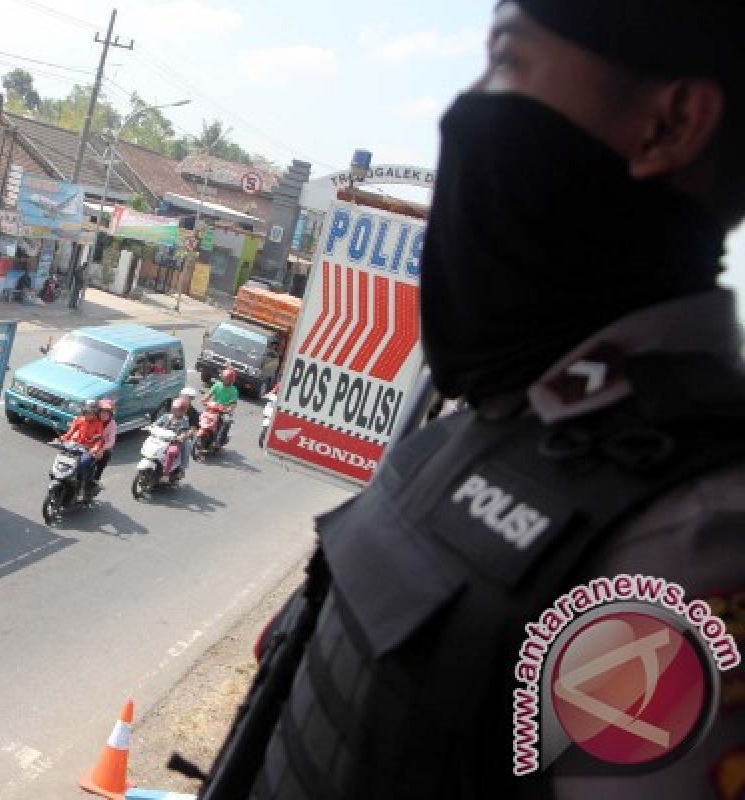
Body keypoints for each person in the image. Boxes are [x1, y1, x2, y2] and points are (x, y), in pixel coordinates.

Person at [202, 3, 745, 798]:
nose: (468, 108)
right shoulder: (505, 422)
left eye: (510, 62)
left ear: (668, 125)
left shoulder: (690, 545)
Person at [54, 399, 104, 488]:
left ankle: (81, 486)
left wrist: (95, 448)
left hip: (88, 449)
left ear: (95, 413)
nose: (89, 414)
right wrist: (61, 439)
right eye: (87, 412)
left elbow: (99, 439)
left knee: (83, 462)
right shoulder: (79, 420)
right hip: (76, 446)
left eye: (91, 412)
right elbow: (70, 432)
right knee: (63, 457)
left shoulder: (98, 424)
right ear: (83, 411)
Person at [155, 397, 192, 475]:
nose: (175, 411)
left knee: (172, 452)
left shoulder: (184, 421)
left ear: (183, 411)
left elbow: (184, 431)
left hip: (174, 442)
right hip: (161, 439)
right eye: (174, 409)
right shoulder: (166, 417)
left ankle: (166, 472)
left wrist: (181, 436)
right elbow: (156, 424)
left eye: (178, 410)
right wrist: (151, 427)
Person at [203, 368, 239, 446]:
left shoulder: (233, 390)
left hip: (224, 410)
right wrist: (205, 399)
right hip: (213, 407)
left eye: (227, 379)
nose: (224, 380)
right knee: (202, 416)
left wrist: (230, 409)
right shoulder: (217, 385)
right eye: (224, 378)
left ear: (231, 380)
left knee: (226, 421)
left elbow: (233, 403)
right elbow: (209, 394)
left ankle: (219, 440)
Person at [92, 399, 117, 483]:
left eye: (107, 413)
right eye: (102, 412)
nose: (104, 415)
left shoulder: (112, 424)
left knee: (105, 456)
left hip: (103, 448)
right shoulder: (93, 419)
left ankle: (96, 480)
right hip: (89, 444)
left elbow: (111, 441)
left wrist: (102, 449)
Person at [179, 387, 202, 469]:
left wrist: (186, 435)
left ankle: (182, 467)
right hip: (172, 431)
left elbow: (193, 428)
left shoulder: (194, 413)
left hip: (186, 434)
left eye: (186, 397)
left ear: (191, 399)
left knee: (187, 445)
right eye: (182, 396)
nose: (183, 398)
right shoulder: (174, 406)